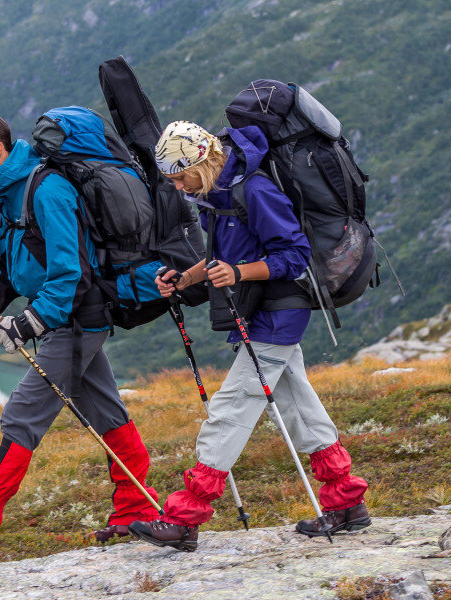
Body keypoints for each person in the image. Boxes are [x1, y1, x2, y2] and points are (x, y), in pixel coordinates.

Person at [0, 112, 160, 555]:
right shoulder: (8, 198)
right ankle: (135, 512)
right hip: (63, 323)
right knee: (107, 413)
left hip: (74, 321)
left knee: (21, 417)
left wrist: (30, 322)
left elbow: (69, 273)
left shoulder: (47, 190)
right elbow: (1, 278)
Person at [128, 121, 370, 552]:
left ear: (202, 163)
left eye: (181, 177)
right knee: (299, 407)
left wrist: (239, 272)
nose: (179, 187)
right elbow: (218, 256)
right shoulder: (216, 196)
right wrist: (183, 279)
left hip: (278, 313)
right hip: (258, 311)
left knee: (232, 407)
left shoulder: (254, 191)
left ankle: (185, 517)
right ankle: (347, 502)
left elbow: (293, 256)